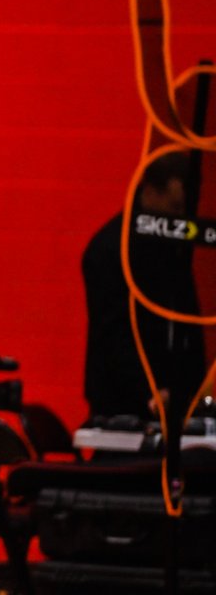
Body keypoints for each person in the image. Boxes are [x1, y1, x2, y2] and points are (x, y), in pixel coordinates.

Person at [82, 151, 205, 422]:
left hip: (167, 394)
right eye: (174, 208)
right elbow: (114, 331)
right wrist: (148, 391)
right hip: (123, 400)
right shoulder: (112, 250)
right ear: (150, 192)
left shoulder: (169, 242)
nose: (181, 218)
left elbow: (187, 321)